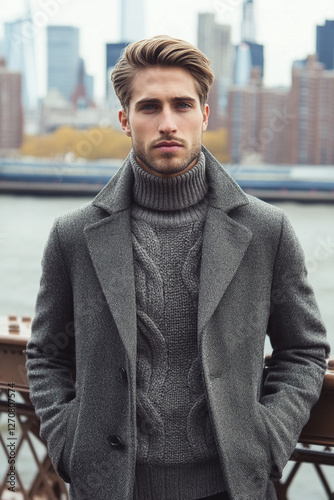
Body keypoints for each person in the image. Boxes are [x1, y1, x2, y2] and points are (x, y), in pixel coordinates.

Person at [26, 36, 330, 500]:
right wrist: (69, 444)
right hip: (110, 489)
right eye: (150, 107)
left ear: (204, 115)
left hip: (232, 489)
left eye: (182, 105)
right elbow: (46, 355)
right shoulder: (73, 236)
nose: (167, 123)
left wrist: (268, 439)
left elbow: (304, 351)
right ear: (125, 120)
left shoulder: (267, 231)